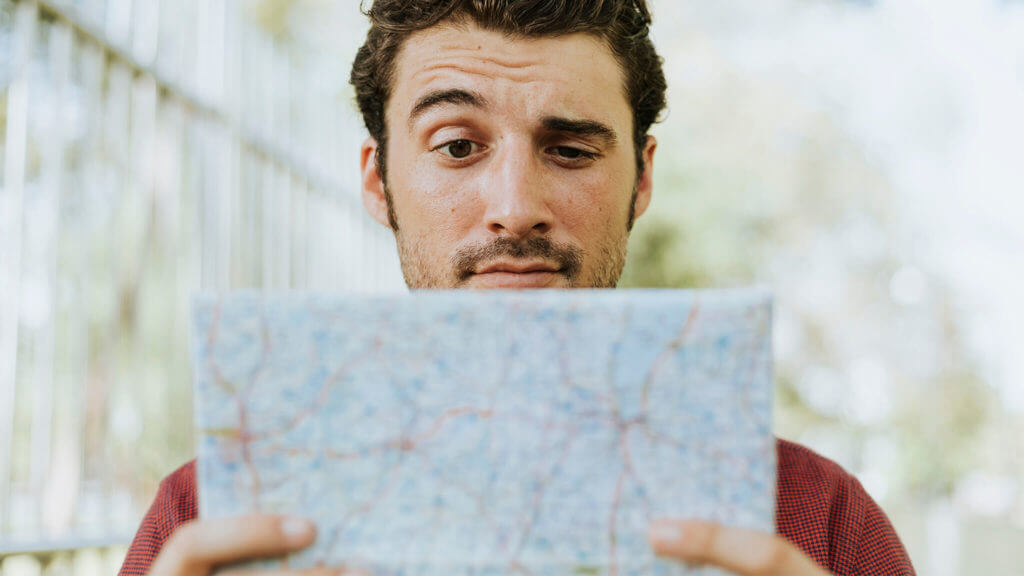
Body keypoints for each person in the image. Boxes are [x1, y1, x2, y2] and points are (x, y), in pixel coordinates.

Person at [119, 1, 916, 575]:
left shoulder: (818, 524)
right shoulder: (209, 523)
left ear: (641, 181)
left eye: (570, 150)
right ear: (378, 180)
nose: (514, 209)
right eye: (458, 145)